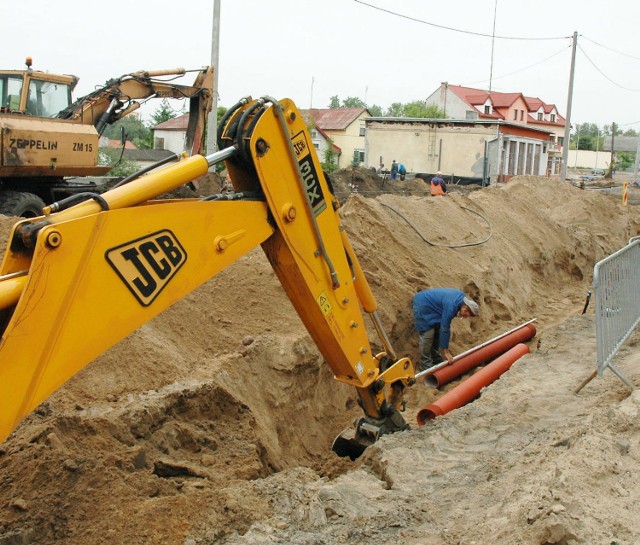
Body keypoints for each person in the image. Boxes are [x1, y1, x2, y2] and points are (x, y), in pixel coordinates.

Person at [412, 288, 479, 372]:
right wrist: (446, 352)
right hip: (423, 304)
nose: (465, 317)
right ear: (464, 307)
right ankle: (426, 367)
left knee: (437, 333)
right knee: (427, 335)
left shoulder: (460, 301)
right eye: (466, 315)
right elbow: (445, 328)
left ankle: (436, 360)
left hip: (435, 308)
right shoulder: (452, 306)